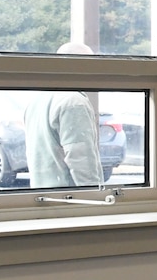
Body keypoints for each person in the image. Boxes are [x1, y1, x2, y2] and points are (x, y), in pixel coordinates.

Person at [22, 41, 102, 188]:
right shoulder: (74, 102)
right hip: (70, 200)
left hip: (42, 196)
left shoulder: (37, 101)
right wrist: (95, 196)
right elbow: (80, 157)